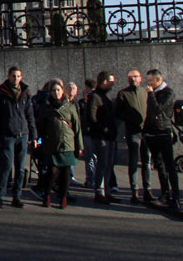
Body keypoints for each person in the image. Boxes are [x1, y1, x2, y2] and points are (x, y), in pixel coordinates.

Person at [0, 66, 36, 208]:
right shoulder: (1, 93)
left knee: (20, 168)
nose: (16, 79)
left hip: (22, 133)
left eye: (18, 76)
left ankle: (17, 196)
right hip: (7, 133)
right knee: (6, 166)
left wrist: (33, 135)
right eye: (13, 76)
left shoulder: (25, 93)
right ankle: (0, 196)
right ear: (8, 76)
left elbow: (30, 115)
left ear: (21, 77)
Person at [36, 79, 82, 209]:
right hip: (51, 143)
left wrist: (79, 146)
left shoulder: (70, 107)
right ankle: (47, 195)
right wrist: (39, 142)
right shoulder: (46, 108)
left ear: (63, 91)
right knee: (51, 172)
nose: (56, 93)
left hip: (67, 143)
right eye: (53, 90)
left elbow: (77, 128)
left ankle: (63, 197)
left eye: (58, 90)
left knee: (66, 173)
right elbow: (41, 127)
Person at [142, 69, 180, 209]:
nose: (149, 83)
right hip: (152, 132)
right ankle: (165, 193)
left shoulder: (167, 93)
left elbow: (158, 109)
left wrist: (151, 94)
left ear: (158, 80)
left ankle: (175, 196)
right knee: (160, 165)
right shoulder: (155, 92)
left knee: (169, 165)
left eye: (151, 80)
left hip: (163, 132)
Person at [114, 68, 151, 204]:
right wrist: (129, 118)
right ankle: (135, 190)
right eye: (131, 77)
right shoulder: (123, 93)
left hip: (146, 131)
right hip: (132, 130)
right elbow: (118, 112)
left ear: (140, 78)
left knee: (147, 161)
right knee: (134, 160)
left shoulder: (145, 92)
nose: (133, 79)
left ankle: (148, 188)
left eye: (135, 76)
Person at [86, 71, 118, 204]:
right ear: (104, 81)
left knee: (109, 164)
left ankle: (107, 190)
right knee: (102, 163)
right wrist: (104, 129)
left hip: (110, 136)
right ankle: (99, 191)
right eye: (111, 81)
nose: (112, 84)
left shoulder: (108, 96)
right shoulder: (95, 97)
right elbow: (92, 117)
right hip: (101, 136)